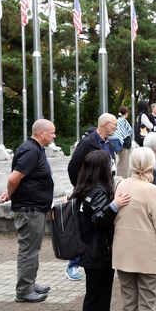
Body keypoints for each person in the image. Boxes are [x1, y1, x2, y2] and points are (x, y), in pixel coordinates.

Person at [0, 119, 55, 303]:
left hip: (33, 207)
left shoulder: (34, 149)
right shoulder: (31, 150)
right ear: (41, 133)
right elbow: (14, 178)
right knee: (28, 251)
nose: (54, 136)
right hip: (30, 210)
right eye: (52, 133)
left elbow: (20, 179)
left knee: (33, 249)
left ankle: (29, 283)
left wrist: (9, 193)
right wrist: (11, 192)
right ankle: (23, 291)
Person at [112, 147, 156, 311]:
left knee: (128, 304)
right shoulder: (151, 190)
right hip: (147, 255)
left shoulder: (121, 185)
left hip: (123, 253)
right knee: (146, 304)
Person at [75, 151, 131, 311]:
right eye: (109, 163)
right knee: (99, 298)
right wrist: (115, 205)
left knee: (93, 295)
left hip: (89, 250)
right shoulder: (99, 191)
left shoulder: (85, 188)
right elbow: (98, 218)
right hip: (99, 252)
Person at [67, 113, 117, 281]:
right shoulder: (88, 142)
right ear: (104, 124)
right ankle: (73, 265)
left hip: (104, 192)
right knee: (86, 229)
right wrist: (82, 187)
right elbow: (73, 167)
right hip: (91, 194)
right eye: (114, 124)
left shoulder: (107, 143)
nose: (116, 128)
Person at [112, 106, 133, 178]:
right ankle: (121, 177)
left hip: (120, 142)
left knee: (122, 161)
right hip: (124, 143)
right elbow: (128, 131)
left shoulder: (118, 120)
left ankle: (121, 176)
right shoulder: (123, 121)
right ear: (126, 113)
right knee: (124, 162)